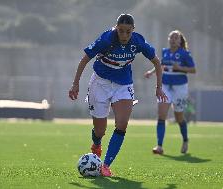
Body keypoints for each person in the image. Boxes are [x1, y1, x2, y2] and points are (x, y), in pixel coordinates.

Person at [68, 14, 167, 176]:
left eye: (128, 32)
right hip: (100, 82)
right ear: (116, 28)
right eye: (121, 31)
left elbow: (156, 62)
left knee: (122, 124)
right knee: (100, 130)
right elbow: (85, 59)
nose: (124, 35)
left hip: (123, 84)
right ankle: (96, 144)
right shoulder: (107, 39)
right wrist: (75, 83)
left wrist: (158, 87)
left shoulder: (138, 41)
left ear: (133, 30)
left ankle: (105, 165)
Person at [144, 30, 196, 155]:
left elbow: (193, 70)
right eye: (171, 37)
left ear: (180, 41)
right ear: (168, 39)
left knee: (179, 117)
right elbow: (161, 65)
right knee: (161, 115)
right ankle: (159, 146)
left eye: (176, 38)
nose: (173, 40)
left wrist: (180, 68)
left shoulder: (185, 54)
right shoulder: (165, 52)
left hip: (180, 88)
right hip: (166, 86)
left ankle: (185, 140)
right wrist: (151, 73)